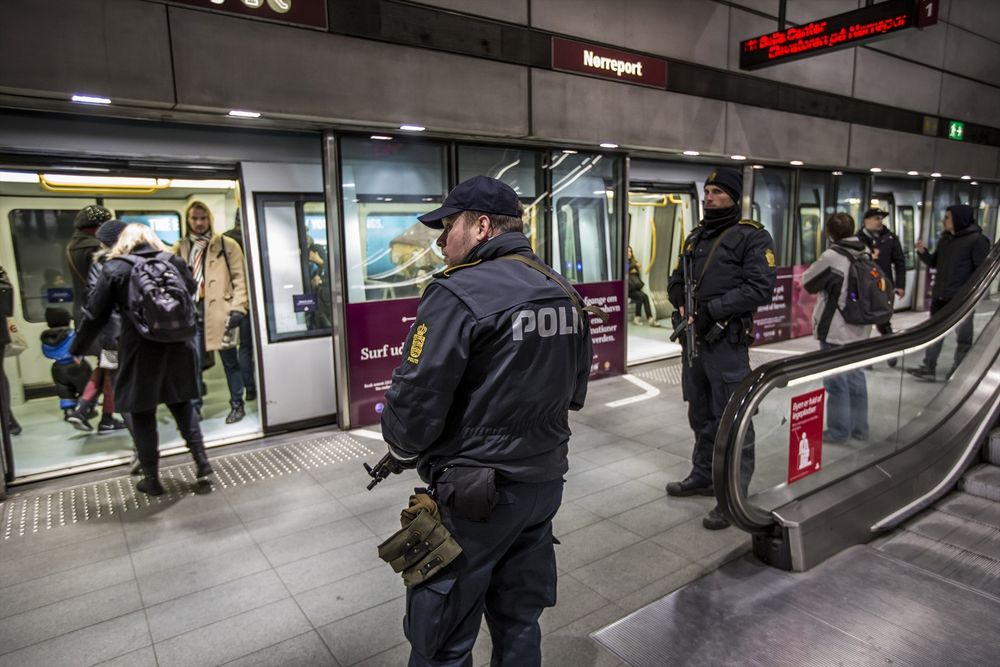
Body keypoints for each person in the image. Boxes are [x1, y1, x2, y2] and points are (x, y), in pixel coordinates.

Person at [377, 175, 592, 666]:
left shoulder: (458, 291)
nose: (439, 240)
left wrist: (404, 449)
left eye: (447, 226)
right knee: (519, 621)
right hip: (543, 482)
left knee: (443, 636)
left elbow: (418, 395)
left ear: (479, 227)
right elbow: (575, 390)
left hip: (475, 496)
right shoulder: (560, 287)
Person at [665, 167, 776, 530]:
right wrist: (678, 295)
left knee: (733, 419)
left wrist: (714, 309)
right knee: (700, 414)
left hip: (726, 344)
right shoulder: (696, 237)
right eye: (707, 191)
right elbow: (677, 277)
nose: (709, 197)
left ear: (733, 197)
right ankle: (704, 476)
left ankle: (733, 496)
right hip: (695, 343)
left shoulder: (751, 238)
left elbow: (760, 288)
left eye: (716, 192)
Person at [72, 223, 212, 495]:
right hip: (179, 345)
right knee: (183, 405)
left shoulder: (116, 268)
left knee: (143, 412)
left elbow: (95, 314)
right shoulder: (174, 260)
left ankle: (152, 479)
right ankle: (202, 463)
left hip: (140, 346)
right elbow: (191, 291)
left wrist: (78, 347)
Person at [172, 201, 249, 423]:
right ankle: (195, 408)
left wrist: (238, 307)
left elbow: (240, 279)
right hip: (192, 314)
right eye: (194, 219)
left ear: (210, 220)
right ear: (188, 220)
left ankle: (237, 403)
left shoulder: (227, 244)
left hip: (222, 313)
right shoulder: (180, 247)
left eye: (203, 218)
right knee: (192, 364)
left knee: (230, 361)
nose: (199, 223)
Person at [801, 213, 872, 443]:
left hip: (836, 329)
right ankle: (860, 429)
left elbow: (808, 282)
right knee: (856, 379)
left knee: (836, 382)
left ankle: (839, 432)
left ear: (829, 233)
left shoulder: (832, 256)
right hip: (860, 328)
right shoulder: (865, 252)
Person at [908, 205, 991, 381]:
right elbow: (935, 263)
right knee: (933, 333)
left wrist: (971, 296)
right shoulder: (946, 239)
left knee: (963, 337)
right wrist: (923, 253)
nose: (943, 221)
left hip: (961, 299)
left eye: (947, 217)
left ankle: (958, 369)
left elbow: (981, 272)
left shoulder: (977, 241)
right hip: (940, 295)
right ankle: (929, 367)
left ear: (958, 219)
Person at [66, 220, 131, 434]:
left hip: (106, 336)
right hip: (124, 334)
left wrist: (80, 344)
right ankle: (106, 418)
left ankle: (85, 410)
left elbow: (95, 303)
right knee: (115, 376)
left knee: (106, 370)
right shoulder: (127, 263)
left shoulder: (97, 265)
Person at [859, 208, 906, 366]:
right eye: (876, 218)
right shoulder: (858, 239)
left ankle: (891, 353)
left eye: (881, 219)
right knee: (862, 323)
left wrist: (900, 285)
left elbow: (900, 262)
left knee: (884, 322)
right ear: (866, 221)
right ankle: (863, 358)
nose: (879, 221)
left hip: (882, 287)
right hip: (862, 287)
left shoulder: (890, 238)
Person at [39, 306, 93, 429]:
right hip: (77, 366)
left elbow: (47, 353)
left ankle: (68, 411)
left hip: (58, 367)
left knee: (64, 390)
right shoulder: (71, 334)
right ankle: (85, 409)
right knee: (87, 387)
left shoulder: (45, 338)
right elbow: (81, 346)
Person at [222, 213, 256, 402]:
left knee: (232, 350)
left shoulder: (224, 240)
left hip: (229, 301)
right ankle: (251, 389)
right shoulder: (253, 236)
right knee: (246, 347)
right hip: (250, 301)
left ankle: (242, 389)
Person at [66, 205, 113, 328]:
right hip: (101, 313)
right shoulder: (98, 247)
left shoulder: (71, 246)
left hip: (81, 309)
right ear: (99, 226)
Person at [628, 245, 660, 327]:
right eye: (627, 251)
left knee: (645, 296)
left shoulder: (633, 262)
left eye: (630, 251)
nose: (629, 253)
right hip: (627, 289)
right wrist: (634, 265)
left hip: (634, 288)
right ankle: (637, 317)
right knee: (641, 297)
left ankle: (650, 318)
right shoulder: (626, 263)